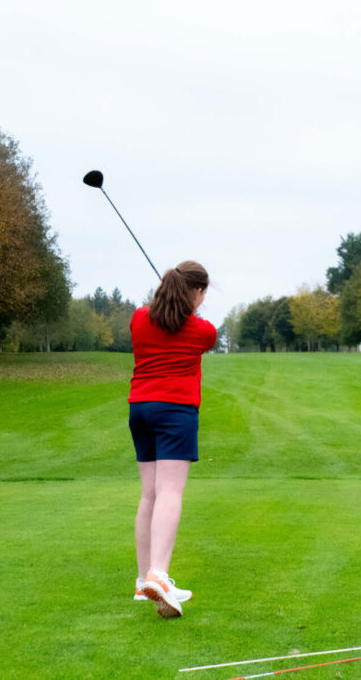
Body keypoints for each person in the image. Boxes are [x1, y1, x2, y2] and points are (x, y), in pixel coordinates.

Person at [128, 261, 216, 618]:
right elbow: (196, 326)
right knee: (170, 492)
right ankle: (158, 576)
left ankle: (143, 580)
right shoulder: (202, 330)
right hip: (175, 411)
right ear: (195, 292)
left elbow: (158, 318)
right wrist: (188, 306)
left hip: (140, 409)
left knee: (149, 493)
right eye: (203, 293)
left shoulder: (138, 318)